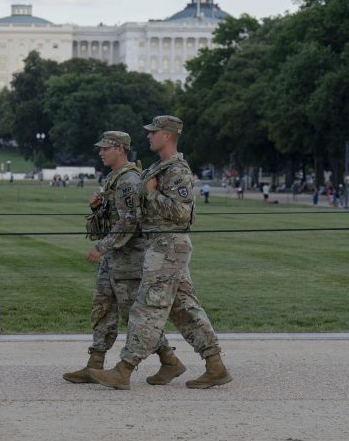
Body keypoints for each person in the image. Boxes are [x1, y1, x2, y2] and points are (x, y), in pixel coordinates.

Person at [89, 116, 231, 390]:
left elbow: (183, 213)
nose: (148, 136)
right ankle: (215, 365)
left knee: (146, 308)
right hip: (159, 246)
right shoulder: (157, 168)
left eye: (153, 132)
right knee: (184, 309)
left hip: (169, 246)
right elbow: (137, 213)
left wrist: (152, 194)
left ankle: (124, 369)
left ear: (167, 135)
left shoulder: (176, 170)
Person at [64, 131, 182, 385]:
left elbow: (130, 222)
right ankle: (94, 363)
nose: (101, 152)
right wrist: (97, 209)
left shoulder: (128, 180)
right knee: (102, 308)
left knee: (134, 316)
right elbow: (112, 219)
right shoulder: (113, 179)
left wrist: (102, 247)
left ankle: (169, 360)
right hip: (115, 258)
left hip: (130, 259)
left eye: (105, 148)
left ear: (120, 149)